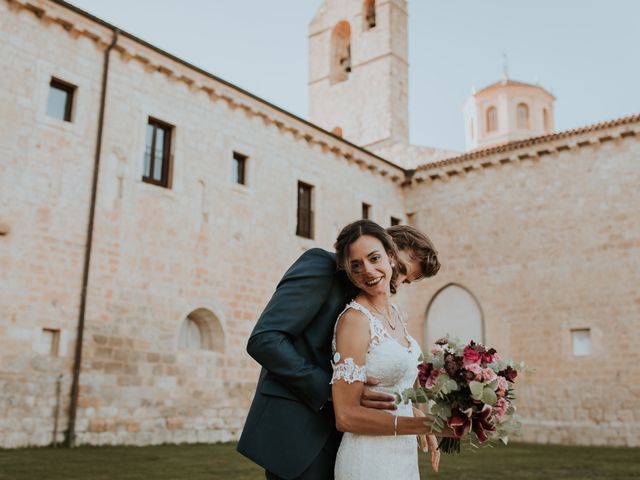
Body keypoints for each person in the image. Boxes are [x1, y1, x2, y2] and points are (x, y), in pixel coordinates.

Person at [237, 221, 442, 480]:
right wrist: (336, 391)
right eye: (400, 268)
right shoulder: (321, 266)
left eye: (406, 280)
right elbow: (265, 340)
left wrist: (405, 407)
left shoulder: (378, 305)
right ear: (388, 248)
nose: (397, 282)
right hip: (300, 431)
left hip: (355, 441)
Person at [331, 220, 446, 479]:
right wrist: (425, 424)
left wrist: (415, 413)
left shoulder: (395, 314)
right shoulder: (355, 319)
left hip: (402, 456)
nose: (400, 279)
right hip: (367, 459)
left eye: (408, 279)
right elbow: (346, 416)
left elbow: (393, 385)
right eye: (357, 264)